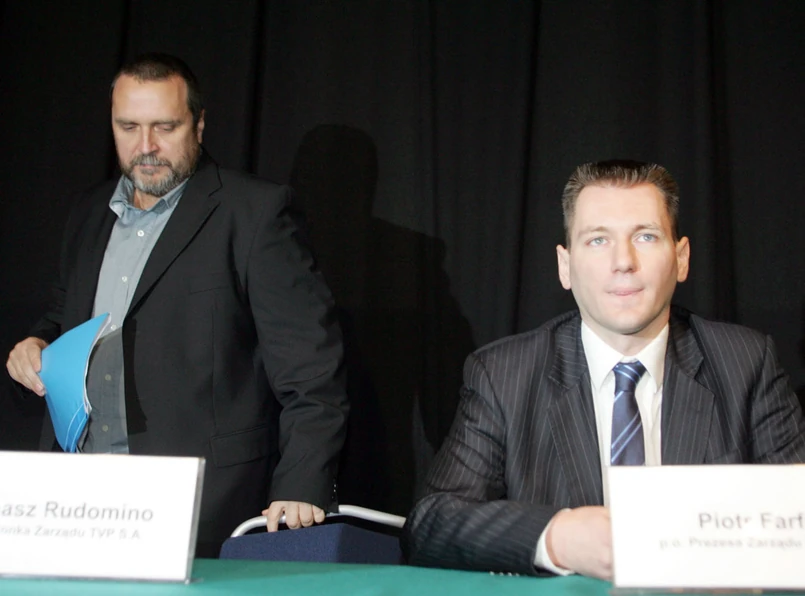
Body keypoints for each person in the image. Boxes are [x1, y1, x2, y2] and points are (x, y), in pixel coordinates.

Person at [5, 53, 349, 557]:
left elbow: (312, 369)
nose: (146, 146)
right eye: (128, 127)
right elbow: (65, 316)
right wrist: (35, 344)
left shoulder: (255, 213)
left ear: (199, 125)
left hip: (202, 504)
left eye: (165, 127)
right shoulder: (88, 212)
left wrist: (302, 481)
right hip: (77, 502)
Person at [401, 159, 805, 578]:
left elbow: (799, 520)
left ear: (681, 258)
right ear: (565, 266)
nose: (623, 261)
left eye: (645, 236)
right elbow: (431, 526)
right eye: (598, 240)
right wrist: (556, 538)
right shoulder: (504, 375)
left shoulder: (746, 363)